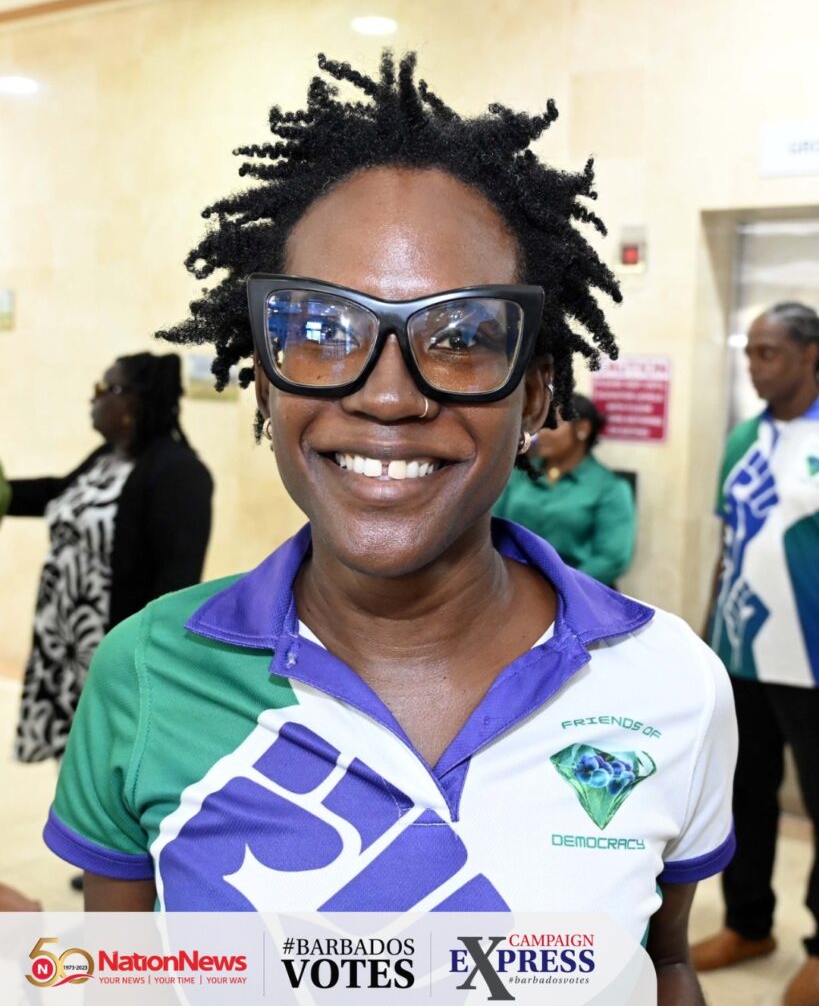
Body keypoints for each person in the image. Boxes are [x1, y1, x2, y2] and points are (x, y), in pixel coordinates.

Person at [43, 53, 735, 1003]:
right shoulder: (148, 672)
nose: (387, 395)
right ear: (264, 377)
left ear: (536, 396)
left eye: (460, 337)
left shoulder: (669, 684)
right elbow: (118, 982)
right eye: (324, 328)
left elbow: (663, 962)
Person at [692, 302, 819, 1006]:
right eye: (749, 352)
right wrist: (707, 638)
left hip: (814, 659)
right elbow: (729, 546)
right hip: (742, 653)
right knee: (744, 795)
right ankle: (747, 924)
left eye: (768, 353)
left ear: (810, 355)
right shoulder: (743, 438)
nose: (753, 365)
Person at [2, 352, 213, 763]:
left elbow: (176, 585)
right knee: (71, 763)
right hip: (65, 643)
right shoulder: (109, 457)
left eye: (104, 389)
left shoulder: (178, 472)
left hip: (109, 654)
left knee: (103, 763)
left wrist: (144, 669)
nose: (93, 399)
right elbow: (58, 494)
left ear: (132, 401)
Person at [494, 394, 635, 586]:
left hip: (578, 591)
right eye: (540, 423)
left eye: (553, 424)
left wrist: (558, 586)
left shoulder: (610, 488)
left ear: (583, 429)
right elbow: (493, 530)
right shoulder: (519, 475)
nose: (541, 432)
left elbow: (611, 559)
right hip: (512, 586)